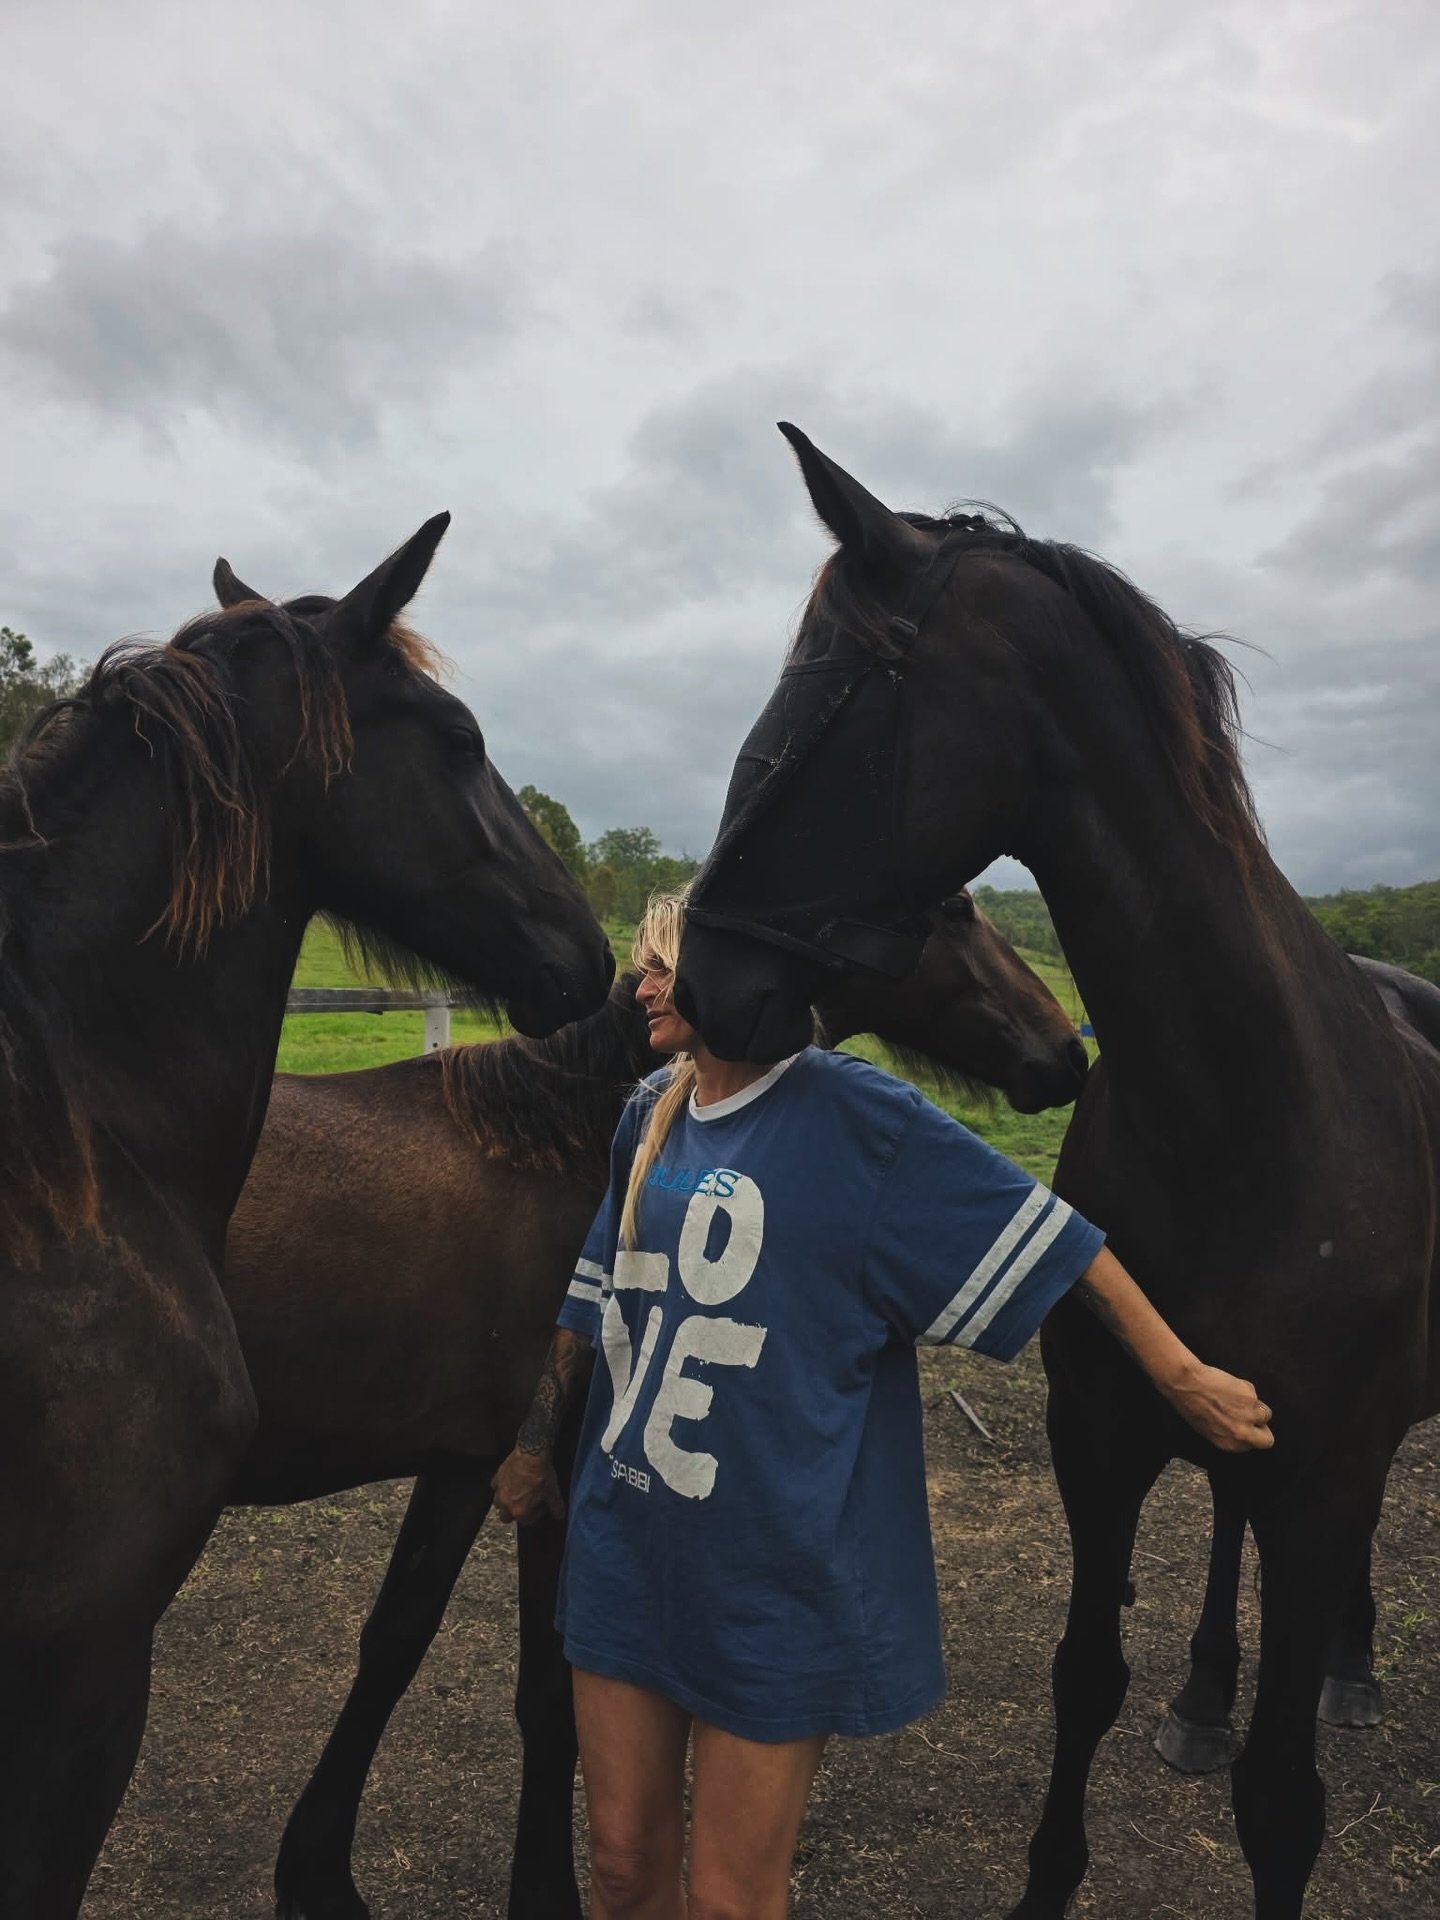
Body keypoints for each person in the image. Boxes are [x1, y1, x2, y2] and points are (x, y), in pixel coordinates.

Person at [493, 891, 1273, 1920]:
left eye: (660, 964)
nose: (637, 985)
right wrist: (537, 1445)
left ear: (731, 974)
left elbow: (1057, 1241)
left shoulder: (857, 1117)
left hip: (769, 1575)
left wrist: (1181, 1373)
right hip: (624, 1546)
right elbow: (600, 1286)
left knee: (730, 1899)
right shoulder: (650, 1109)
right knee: (623, 1866)